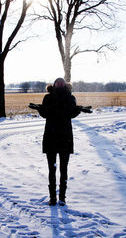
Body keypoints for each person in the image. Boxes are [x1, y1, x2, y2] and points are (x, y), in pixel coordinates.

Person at [33, 78, 81, 206]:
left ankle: (62, 198)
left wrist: (78, 110)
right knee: (52, 169)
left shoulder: (70, 97)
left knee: (63, 169)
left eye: (61, 82)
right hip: (51, 137)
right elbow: (45, 114)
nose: (59, 84)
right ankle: (53, 198)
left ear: (65, 85)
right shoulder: (48, 98)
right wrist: (39, 108)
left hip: (65, 137)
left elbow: (71, 113)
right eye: (57, 82)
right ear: (53, 85)